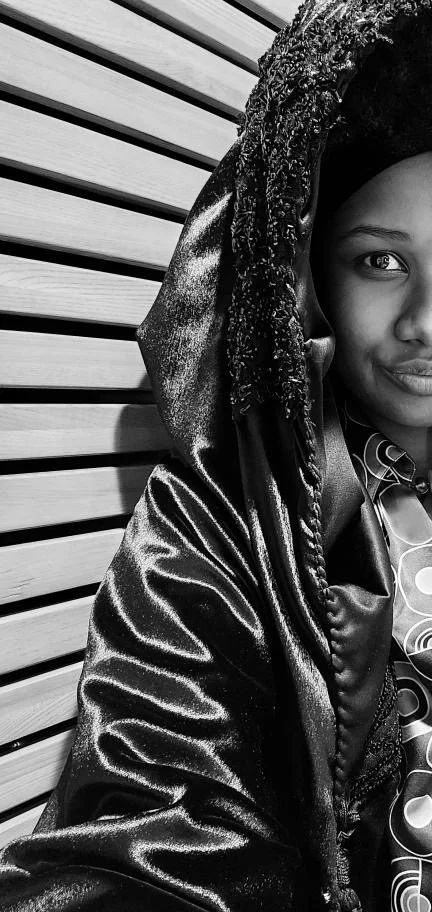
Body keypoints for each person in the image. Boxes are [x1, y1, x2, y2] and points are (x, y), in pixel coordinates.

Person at [1, 1, 432, 909]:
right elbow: (162, 822)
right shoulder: (226, 515)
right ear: (308, 274)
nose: (426, 321)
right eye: (379, 263)